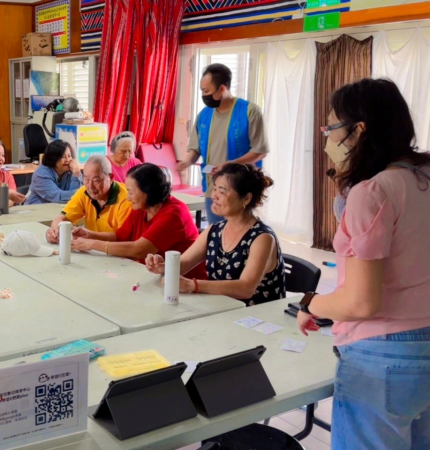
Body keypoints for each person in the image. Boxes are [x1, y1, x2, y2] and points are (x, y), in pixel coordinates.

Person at [295, 79, 430, 449]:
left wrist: (311, 304)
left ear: (359, 130)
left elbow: (361, 303)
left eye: (331, 128)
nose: (327, 140)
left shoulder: (374, 191)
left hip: (385, 356)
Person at [146, 163, 284, 306]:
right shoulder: (214, 231)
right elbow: (183, 264)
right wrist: (165, 266)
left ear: (246, 199)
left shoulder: (262, 238)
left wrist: (193, 285)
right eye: (215, 188)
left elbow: (246, 288)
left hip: (255, 317)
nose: (214, 196)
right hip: (222, 308)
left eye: (222, 191)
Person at [71, 163, 206, 278]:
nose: (128, 198)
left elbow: (139, 250)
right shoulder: (142, 208)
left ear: (148, 191)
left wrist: (92, 244)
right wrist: (89, 234)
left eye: (130, 192)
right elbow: (120, 237)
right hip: (153, 277)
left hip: (183, 282)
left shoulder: (174, 213)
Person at [177, 64, 269, 224]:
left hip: (241, 191)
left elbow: (260, 150)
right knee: (217, 235)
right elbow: (195, 148)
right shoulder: (204, 115)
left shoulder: (249, 111)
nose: (203, 96)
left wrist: (229, 165)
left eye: (206, 91)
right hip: (213, 190)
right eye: (202, 91)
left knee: (239, 237)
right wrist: (187, 161)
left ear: (222, 89)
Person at [45, 155, 132, 244]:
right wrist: (54, 232)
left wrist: (90, 235)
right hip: (93, 250)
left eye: (96, 180)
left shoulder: (127, 199)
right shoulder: (84, 193)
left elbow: (124, 237)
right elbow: (61, 219)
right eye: (86, 179)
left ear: (110, 178)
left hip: (117, 254)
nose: (90, 186)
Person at [25, 140, 82, 205]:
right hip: (35, 211)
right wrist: (82, 193)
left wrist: (76, 173)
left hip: (58, 210)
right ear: (53, 158)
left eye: (69, 156)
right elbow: (57, 197)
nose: (68, 160)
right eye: (63, 156)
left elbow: (75, 200)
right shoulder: (41, 174)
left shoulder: (70, 171)